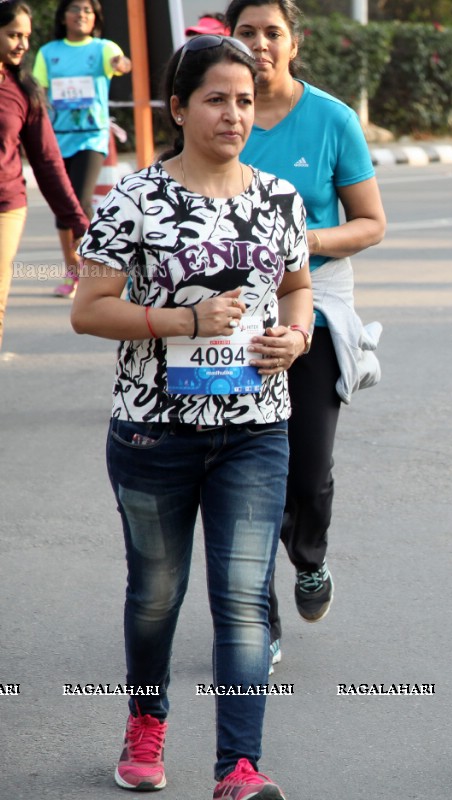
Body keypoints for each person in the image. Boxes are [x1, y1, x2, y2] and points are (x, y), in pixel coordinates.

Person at [70, 33, 312, 799]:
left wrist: (296, 338)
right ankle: (147, 722)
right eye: (216, 99)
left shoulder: (280, 200)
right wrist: (184, 321)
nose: (233, 114)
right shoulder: (134, 199)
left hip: (256, 429)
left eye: (244, 100)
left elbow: (298, 286)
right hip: (152, 431)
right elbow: (88, 311)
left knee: (244, 599)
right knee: (156, 593)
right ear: (179, 108)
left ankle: (238, 767)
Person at [225, 0, 387, 674]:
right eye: (246, 33)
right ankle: (257, 618)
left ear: (295, 42)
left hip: (316, 300)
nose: (259, 45)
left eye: (272, 33)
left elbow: (371, 222)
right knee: (241, 465)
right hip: (233, 305)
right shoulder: (217, 113)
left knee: (308, 468)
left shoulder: (332, 120)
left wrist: (301, 243)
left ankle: (309, 556)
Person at [0, 2, 89, 353]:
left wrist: (78, 222)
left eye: (25, 36)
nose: (22, 43)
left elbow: (49, 163)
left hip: (6, 206)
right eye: (12, 35)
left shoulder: (22, 91)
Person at [33, 0, 131, 299]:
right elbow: (38, 87)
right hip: (57, 137)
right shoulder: (49, 52)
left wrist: (121, 64)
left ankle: (93, 269)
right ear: (63, 16)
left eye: (88, 10)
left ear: (95, 17)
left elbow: (122, 62)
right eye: (75, 9)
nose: (82, 15)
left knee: (81, 199)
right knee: (63, 206)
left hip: (91, 137)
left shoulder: (103, 48)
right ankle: (72, 269)